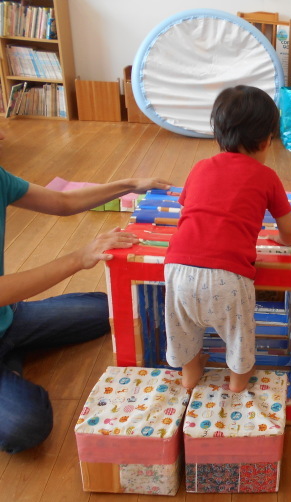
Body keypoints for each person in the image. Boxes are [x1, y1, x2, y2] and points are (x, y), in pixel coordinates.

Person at [0, 131, 172, 453]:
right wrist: (80, 257)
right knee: (26, 425)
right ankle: (10, 360)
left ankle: (11, 350)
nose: (4, 134)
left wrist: (131, 184)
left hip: (8, 316)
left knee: (107, 310)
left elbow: (63, 202)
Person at [164, 85, 291, 392]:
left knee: (182, 327)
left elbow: (189, 212)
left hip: (177, 268)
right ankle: (238, 383)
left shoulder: (199, 168)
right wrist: (286, 242)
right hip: (229, 276)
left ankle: (190, 374)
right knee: (239, 332)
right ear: (268, 139)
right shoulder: (267, 177)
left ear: (218, 137)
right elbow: (290, 231)